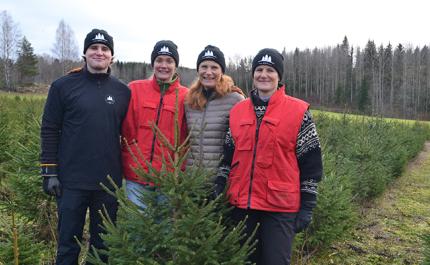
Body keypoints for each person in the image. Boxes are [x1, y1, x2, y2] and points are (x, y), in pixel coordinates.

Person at [215, 48, 323, 265]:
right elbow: (228, 158)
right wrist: (220, 184)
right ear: (253, 74)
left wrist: (307, 205)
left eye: (270, 70)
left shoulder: (299, 112)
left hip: (279, 209)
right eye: (259, 70)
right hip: (242, 207)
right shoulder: (237, 112)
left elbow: (311, 164)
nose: (264, 75)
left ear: (279, 76)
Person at [40, 29, 131, 264]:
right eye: (94, 48)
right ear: (85, 53)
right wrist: (49, 171)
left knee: (102, 246)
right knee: (68, 243)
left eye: (104, 49)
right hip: (71, 182)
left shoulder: (122, 92)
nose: (99, 53)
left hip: (108, 184)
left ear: (112, 56)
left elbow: (130, 133)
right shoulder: (63, 86)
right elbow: (49, 129)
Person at [121, 40, 188, 208]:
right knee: (137, 229)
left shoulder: (186, 96)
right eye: (159, 60)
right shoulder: (134, 89)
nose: (163, 65)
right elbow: (124, 127)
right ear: (153, 63)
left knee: (165, 229)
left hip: (168, 179)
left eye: (169, 61)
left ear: (176, 66)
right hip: (136, 176)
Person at [185, 45, 244, 186]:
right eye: (204, 66)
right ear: (198, 70)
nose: (208, 72)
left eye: (214, 67)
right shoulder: (189, 101)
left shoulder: (235, 99)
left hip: (221, 183)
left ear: (222, 71)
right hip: (190, 182)